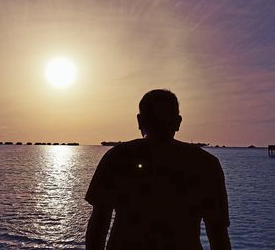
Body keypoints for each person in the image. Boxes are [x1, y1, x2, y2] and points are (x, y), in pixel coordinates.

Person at [85, 89, 231, 250]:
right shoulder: (206, 164)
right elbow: (218, 234)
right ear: (178, 122)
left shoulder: (117, 157)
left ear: (140, 121)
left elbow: (98, 225)